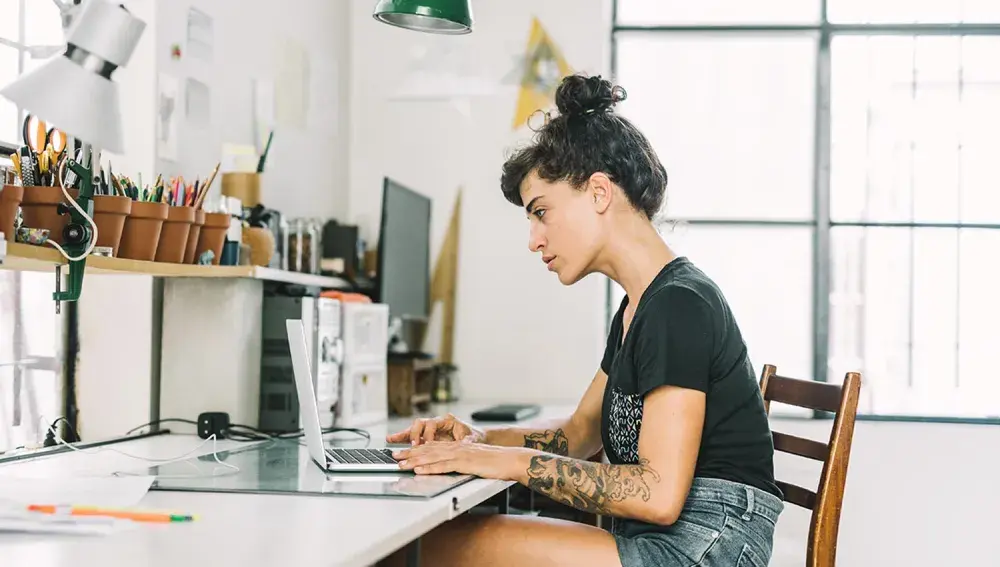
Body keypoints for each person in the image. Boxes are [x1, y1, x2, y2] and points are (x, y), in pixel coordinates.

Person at [380, 73, 784, 567]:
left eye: (541, 212)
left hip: (703, 546)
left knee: (424, 549)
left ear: (598, 193)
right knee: (434, 545)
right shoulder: (641, 306)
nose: (534, 239)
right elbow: (579, 435)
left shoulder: (680, 305)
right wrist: (477, 440)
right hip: (676, 536)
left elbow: (657, 495)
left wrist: (503, 462)